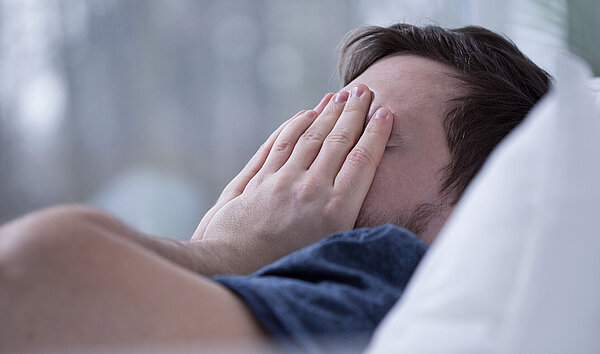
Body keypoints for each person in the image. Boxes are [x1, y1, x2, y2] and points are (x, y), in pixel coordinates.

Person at [0, 24, 549, 352]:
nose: (302, 163)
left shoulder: (385, 277)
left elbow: (26, 279)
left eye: (359, 135)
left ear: (486, 199)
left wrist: (226, 251)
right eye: (317, 129)